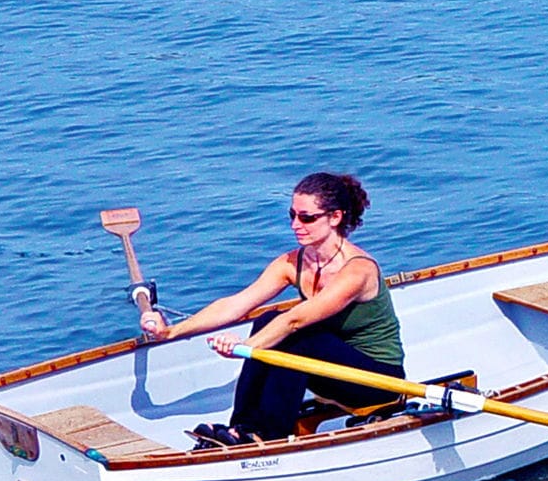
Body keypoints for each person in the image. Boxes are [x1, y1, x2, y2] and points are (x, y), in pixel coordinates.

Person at [140, 172, 405, 445]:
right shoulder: (292, 263)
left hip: (378, 382)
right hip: (333, 372)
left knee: (299, 336)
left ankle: (269, 434)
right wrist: (171, 332)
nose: (295, 225)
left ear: (335, 217)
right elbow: (236, 304)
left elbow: (295, 321)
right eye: (292, 215)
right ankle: (242, 426)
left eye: (307, 218)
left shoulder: (358, 270)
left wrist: (245, 347)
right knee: (268, 319)